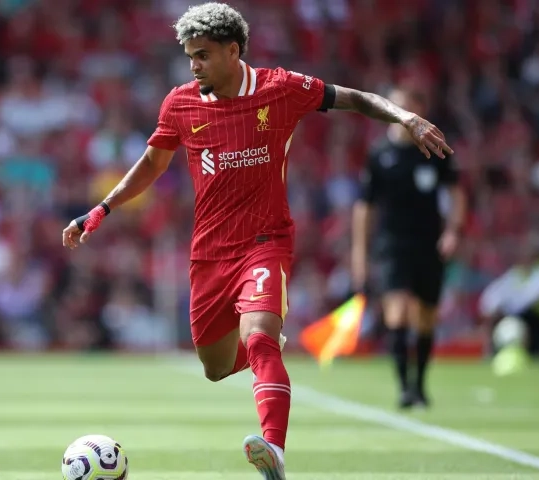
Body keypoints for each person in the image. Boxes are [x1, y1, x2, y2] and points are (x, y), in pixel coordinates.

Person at [62, 3, 453, 478]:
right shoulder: (180, 104)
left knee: (261, 338)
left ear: (233, 50)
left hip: (265, 242)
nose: (194, 65)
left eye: (202, 55)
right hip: (208, 253)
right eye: (189, 56)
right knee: (215, 365)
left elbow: (353, 97)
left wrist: (404, 117)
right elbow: (151, 164)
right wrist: (101, 209)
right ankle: (262, 337)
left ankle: (274, 451)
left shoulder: (280, 88)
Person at [351, 87, 465, 411]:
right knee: (398, 312)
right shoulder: (379, 154)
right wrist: (359, 254)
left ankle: (420, 385)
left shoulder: (435, 148)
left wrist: (453, 231)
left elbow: (456, 194)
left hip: (429, 243)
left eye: (411, 108)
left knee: (426, 318)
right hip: (392, 245)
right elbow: (364, 208)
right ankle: (403, 387)